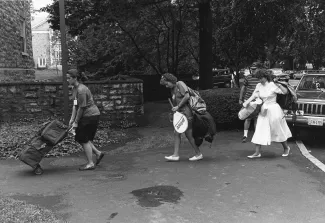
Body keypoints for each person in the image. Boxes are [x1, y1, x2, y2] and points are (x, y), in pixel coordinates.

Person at [242, 69, 292, 158]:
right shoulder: (258, 85)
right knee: (259, 129)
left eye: (261, 78)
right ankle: (257, 152)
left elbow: (285, 92)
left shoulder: (273, 85)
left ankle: (286, 148)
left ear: (266, 77)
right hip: (263, 109)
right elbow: (254, 95)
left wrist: (279, 85)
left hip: (274, 109)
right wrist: (246, 103)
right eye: (258, 78)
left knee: (278, 129)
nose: (259, 80)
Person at [160, 73, 203, 161]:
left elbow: (187, 96)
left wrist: (178, 106)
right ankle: (176, 155)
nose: (166, 86)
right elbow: (176, 103)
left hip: (187, 113)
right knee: (177, 133)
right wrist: (174, 112)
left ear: (170, 80)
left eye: (166, 84)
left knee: (188, 134)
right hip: (181, 114)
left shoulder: (180, 84)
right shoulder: (172, 89)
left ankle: (198, 154)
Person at [67, 69, 104, 170]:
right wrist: (71, 119)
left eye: (69, 78)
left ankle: (90, 163)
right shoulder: (74, 89)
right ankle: (98, 153)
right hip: (86, 115)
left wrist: (76, 122)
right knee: (82, 138)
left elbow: (81, 107)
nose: (67, 80)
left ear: (75, 78)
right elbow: (75, 105)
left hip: (90, 116)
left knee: (83, 139)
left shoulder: (81, 90)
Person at [239, 61, 263, 142]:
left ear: (259, 69)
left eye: (254, 69)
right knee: (247, 117)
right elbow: (243, 88)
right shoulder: (248, 77)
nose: (253, 70)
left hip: (257, 101)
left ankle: (256, 135)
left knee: (256, 118)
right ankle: (245, 135)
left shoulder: (261, 78)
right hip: (248, 100)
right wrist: (240, 98)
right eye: (252, 69)